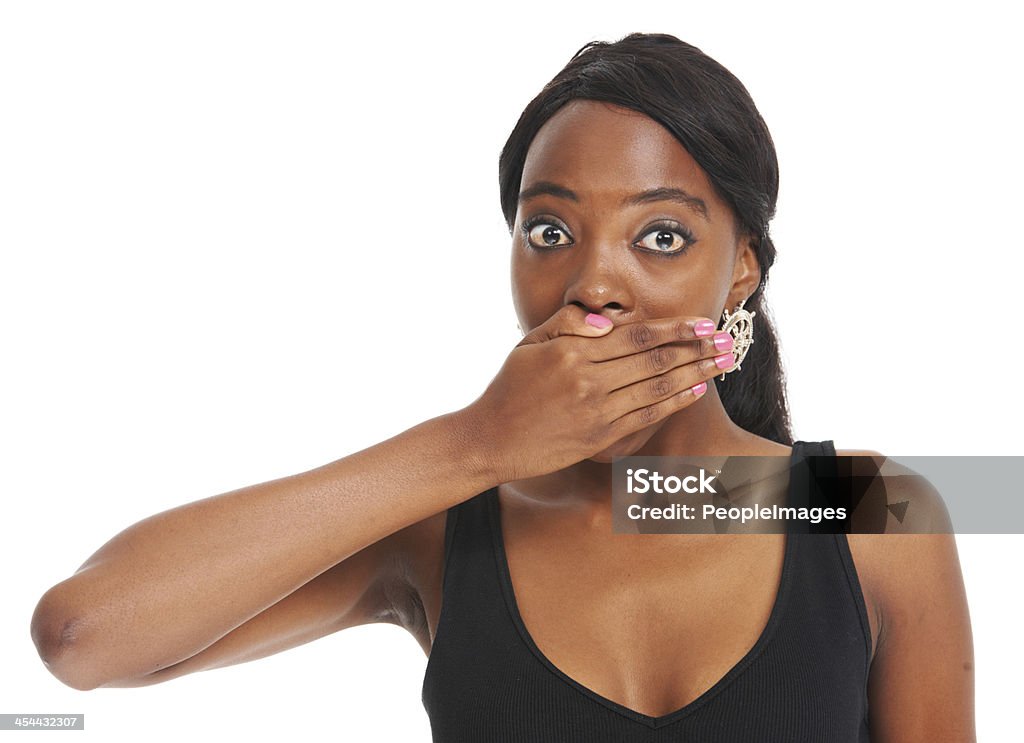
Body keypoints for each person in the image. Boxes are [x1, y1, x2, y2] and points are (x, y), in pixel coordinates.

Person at [30, 32, 975, 741]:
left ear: (742, 272)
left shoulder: (873, 508)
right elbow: (83, 634)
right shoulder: (446, 524)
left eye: (661, 235)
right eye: (550, 232)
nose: (592, 282)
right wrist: (476, 443)